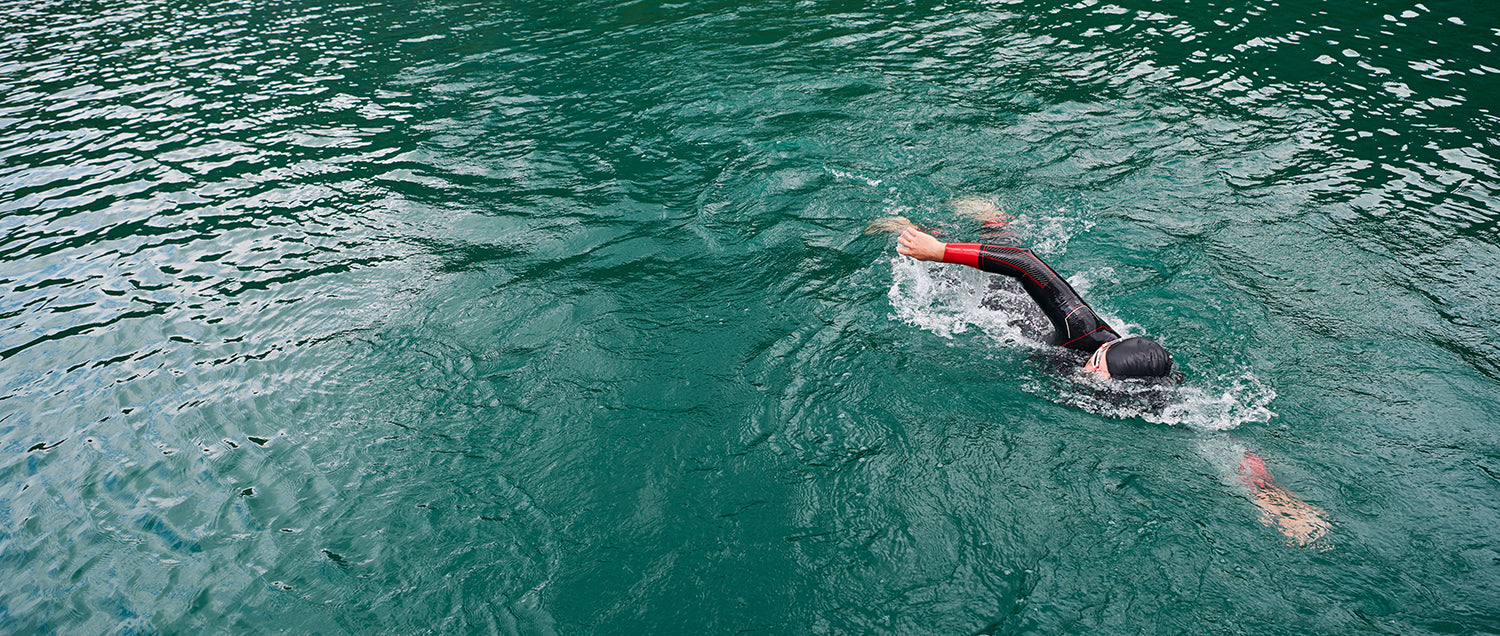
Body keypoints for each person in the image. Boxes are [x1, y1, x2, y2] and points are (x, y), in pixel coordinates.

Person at [891, 224, 1172, 380]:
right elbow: (1025, 263)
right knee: (910, 246)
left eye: (1101, 372)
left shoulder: (1147, 387)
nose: (1092, 370)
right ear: (1107, 346)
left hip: (1036, 329)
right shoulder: (1082, 328)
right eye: (1097, 361)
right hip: (1008, 305)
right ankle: (903, 226)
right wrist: (940, 251)